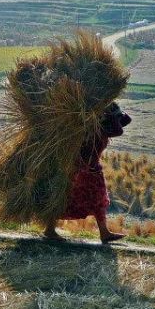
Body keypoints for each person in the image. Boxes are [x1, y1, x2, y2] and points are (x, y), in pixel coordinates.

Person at [43, 102, 132, 243]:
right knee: (67, 199)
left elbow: (125, 122)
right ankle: (49, 229)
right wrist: (112, 114)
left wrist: (111, 111)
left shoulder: (100, 128)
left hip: (91, 170)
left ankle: (104, 232)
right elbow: (119, 130)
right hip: (82, 171)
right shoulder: (93, 131)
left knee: (97, 200)